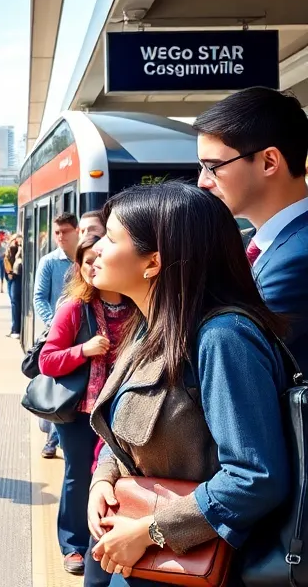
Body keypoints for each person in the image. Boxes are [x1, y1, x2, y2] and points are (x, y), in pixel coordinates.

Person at [86, 182, 289, 585]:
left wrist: (151, 531)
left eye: (111, 237)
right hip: (139, 557)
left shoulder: (223, 338)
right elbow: (125, 432)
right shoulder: (150, 329)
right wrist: (102, 480)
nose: (97, 250)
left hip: (188, 565)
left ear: (153, 262)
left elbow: (255, 477)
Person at [37, 235, 134, 576]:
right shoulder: (75, 308)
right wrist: (84, 350)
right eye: (88, 260)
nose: (96, 265)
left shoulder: (139, 305)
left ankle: (109, 541)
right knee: (79, 476)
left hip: (125, 411)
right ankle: (74, 545)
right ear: (79, 267)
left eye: (101, 257)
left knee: (115, 479)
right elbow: (47, 361)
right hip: (81, 412)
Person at [194, 86, 308, 367]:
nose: (202, 182)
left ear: (269, 161)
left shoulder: (297, 258)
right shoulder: (259, 243)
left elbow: (229, 353)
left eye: (213, 167)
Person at [35, 212, 80, 459]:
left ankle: (55, 438)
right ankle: (53, 439)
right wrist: (55, 325)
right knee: (58, 389)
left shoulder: (87, 259)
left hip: (83, 340)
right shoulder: (49, 262)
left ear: (77, 231)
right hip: (59, 338)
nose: (60, 237)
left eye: (64, 232)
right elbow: (39, 297)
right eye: (56, 233)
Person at [6, 234, 24, 339]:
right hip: (14, 274)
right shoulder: (16, 245)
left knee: (15, 302)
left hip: (15, 275)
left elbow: (9, 258)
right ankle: (15, 328)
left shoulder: (15, 245)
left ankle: (15, 329)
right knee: (15, 302)